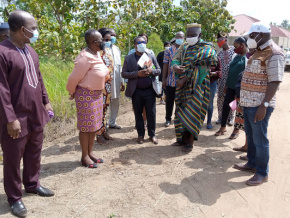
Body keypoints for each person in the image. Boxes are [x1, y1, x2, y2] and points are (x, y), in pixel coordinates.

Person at [0, 10, 54, 217]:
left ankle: (32, 184)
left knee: (34, 152)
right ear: (23, 30)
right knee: (13, 160)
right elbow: (1, 90)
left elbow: (38, 79)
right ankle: (14, 198)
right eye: (34, 27)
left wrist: (46, 102)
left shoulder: (31, 51)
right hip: (15, 117)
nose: (36, 31)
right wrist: (10, 119)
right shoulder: (3, 52)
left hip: (35, 113)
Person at [233, 22, 285, 186]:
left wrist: (265, 104)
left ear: (260, 35)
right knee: (251, 136)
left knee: (260, 139)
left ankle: (262, 173)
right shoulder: (259, 52)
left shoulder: (274, 53)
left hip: (260, 105)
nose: (249, 39)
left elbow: (275, 81)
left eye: (251, 35)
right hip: (249, 102)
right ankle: (252, 163)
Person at [172, 23, 217, 152]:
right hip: (182, 86)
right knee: (181, 111)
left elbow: (204, 67)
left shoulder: (207, 48)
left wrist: (186, 78)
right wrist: (175, 67)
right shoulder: (184, 47)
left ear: (200, 35)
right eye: (188, 35)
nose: (190, 37)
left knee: (193, 112)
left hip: (198, 85)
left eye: (193, 35)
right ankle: (181, 139)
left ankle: (190, 142)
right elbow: (175, 59)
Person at [67, 29, 108, 169]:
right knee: (86, 127)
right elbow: (73, 78)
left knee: (94, 126)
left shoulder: (96, 53)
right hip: (86, 95)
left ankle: (90, 153)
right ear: (94, 42)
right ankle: (84, 156)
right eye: (101, 40)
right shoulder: (85, 57)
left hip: (96, 94)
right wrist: (72, 92)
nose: (103, 42)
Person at [122, 36, 161, 144]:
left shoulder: (151, 56)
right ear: (134, 46)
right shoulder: (129, 58)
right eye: (139, 43)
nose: (142, 44)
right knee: (138, 113)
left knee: (151, 113)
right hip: (136, 91)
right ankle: (140, 135)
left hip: (149, 90)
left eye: (144, 42)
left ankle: (152, 135)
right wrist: (137, 74)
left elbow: (158, 70)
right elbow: (124, 73)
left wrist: (151, 71)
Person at [215, 37, 248, 137]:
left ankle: (236, 130)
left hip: (240, 88)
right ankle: (223, 127)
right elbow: (230, 71)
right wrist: (226, 85)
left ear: (242, 45)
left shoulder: (247, 58)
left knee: (239, 109)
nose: (234, 48)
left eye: (236, 46)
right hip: (230, 86)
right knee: (227, 106)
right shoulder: (235, 55)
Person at [162, 31, 185, 127]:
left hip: (182, 80)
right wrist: (164, 79)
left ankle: (178, 118)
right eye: (178, 36)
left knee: (180, 101)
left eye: (181, 37)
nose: (179, 38)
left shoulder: (186, 49)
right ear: (175, 38)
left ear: (184, 38)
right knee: (169, 101)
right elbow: (165, 65)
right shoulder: (169, 50)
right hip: (171, 80)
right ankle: (168, 119)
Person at [95, 29, 114, 144]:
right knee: (99, 110)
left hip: (107, 86)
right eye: (106, 39)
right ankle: (98, 134)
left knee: (105, 109)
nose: (108, 41)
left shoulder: (107, 51)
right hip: (99, 86)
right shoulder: (96, 53)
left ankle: (103, 130)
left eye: (110, 40)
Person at [105, 28, 125, 129]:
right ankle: (103, 124)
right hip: (106, 81)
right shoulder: (102, 49)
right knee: (105, 102)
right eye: (111, 35)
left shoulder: (117, 49)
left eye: (114, 35)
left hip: (116, 80)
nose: (113, 37)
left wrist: (122, 81)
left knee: (115, 101)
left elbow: (119, 66)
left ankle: (112, 122)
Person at [216, 32, 235, 125]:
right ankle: (220, 117)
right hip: (221, 81)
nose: (218, 42)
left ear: (225, 40)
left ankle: (231, 118)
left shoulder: (234, 51)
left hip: (232, 80)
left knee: (232, 99)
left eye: (220, 40)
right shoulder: (219, 54)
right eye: (217, 41)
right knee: (220, 99)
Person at [207, 57, 222, 129]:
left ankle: (209, 121)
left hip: (212, 83)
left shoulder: (216, 58)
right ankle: (199, 122)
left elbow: (219, 71)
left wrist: (213, 73)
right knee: (200, 102)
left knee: (210, 103)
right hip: (201, 82)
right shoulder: (201, 56)